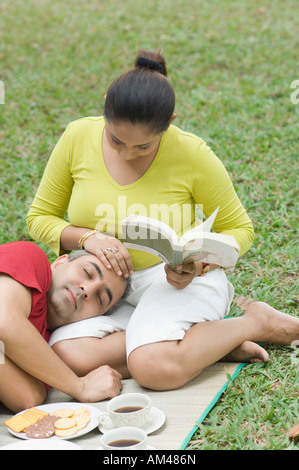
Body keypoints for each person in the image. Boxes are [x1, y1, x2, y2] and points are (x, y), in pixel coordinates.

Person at [26, 49, 299, 391]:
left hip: (174, 281)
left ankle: (255, 322)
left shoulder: (192, 154)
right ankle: (203, 345)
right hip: (106, 292)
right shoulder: (77, 137)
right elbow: (39, 218)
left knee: (152, 369)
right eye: (116, 141)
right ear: (106, 104)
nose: (127, 153)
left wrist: (198, 266)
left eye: (142, 146)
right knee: (66, 354)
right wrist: (87, 238)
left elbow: (240, 229)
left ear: (168, 123)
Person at [0, 241, 129, 413]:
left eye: (100, 298)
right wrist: (80, 387)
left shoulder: (44, 349)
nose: (87, 290)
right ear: (60, 262)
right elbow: (5, 320)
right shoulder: (30, 256)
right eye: (87, 272)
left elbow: (27, 398)